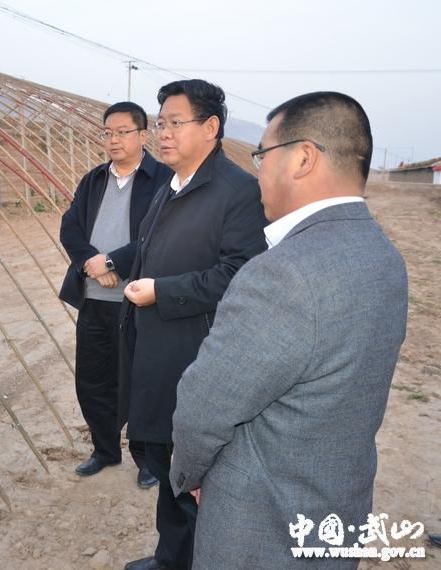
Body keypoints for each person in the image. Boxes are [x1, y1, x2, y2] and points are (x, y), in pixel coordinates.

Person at [170, 92, 408, 569]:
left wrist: (189, 473)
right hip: (336, 509)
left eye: (262, 155)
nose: (258, 170)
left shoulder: (282, 273)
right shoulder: (383, 256)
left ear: (302, 158)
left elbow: (207, 405)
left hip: (263, 526)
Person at [119, 80, 267, 570]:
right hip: (157, 348)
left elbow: (240, 274)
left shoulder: (237, 191)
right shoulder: (172, 184)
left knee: (196, 474)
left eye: (174, 123)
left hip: (196, 355)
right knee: (168, 465)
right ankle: (171, 559)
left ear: (210, 127)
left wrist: (162, 290)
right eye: (159, 123)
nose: (162, 133)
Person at [60, 101, 172, 487]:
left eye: (123, 132)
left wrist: (113, 262)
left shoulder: (163, 179)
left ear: (143, 135)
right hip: (94, 299)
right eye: (107, 132)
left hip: (138, 301)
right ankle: (105, 450)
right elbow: (70, 226)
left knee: (142, 381)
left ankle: (148, 459)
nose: (113, 140)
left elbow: (160, 233)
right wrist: (91, 262)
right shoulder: (94, 179)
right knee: (93, 381)